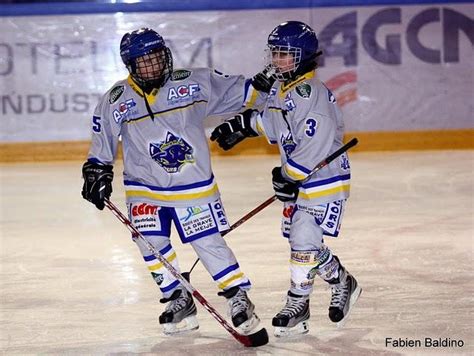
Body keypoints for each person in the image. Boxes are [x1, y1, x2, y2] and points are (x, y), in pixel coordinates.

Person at [81, 28, 273, 336]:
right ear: (131, 65)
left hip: (193, 187)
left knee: (206, 242)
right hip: (144, 188)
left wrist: (261, 88)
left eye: (157, 57)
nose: (154, 65)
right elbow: (101, 142)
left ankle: (237, 295)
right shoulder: (116, 99)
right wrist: (96, 170)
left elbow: (244, 93)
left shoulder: (192, 82)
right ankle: (177, 296)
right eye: (145, 61)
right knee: (149, 242)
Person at [210, 21, 362, 337]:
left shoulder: (311, 93)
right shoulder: (284, 88)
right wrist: (242, 126)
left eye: (285, 54)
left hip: (324, 179)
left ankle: (298, 302)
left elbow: (315, 143)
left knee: (303, 236)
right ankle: (341, 281)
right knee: (304, 242)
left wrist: (288, 175)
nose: (278, 60)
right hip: (301, 180)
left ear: (304, 57)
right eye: (275, 53)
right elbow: (275, 124)